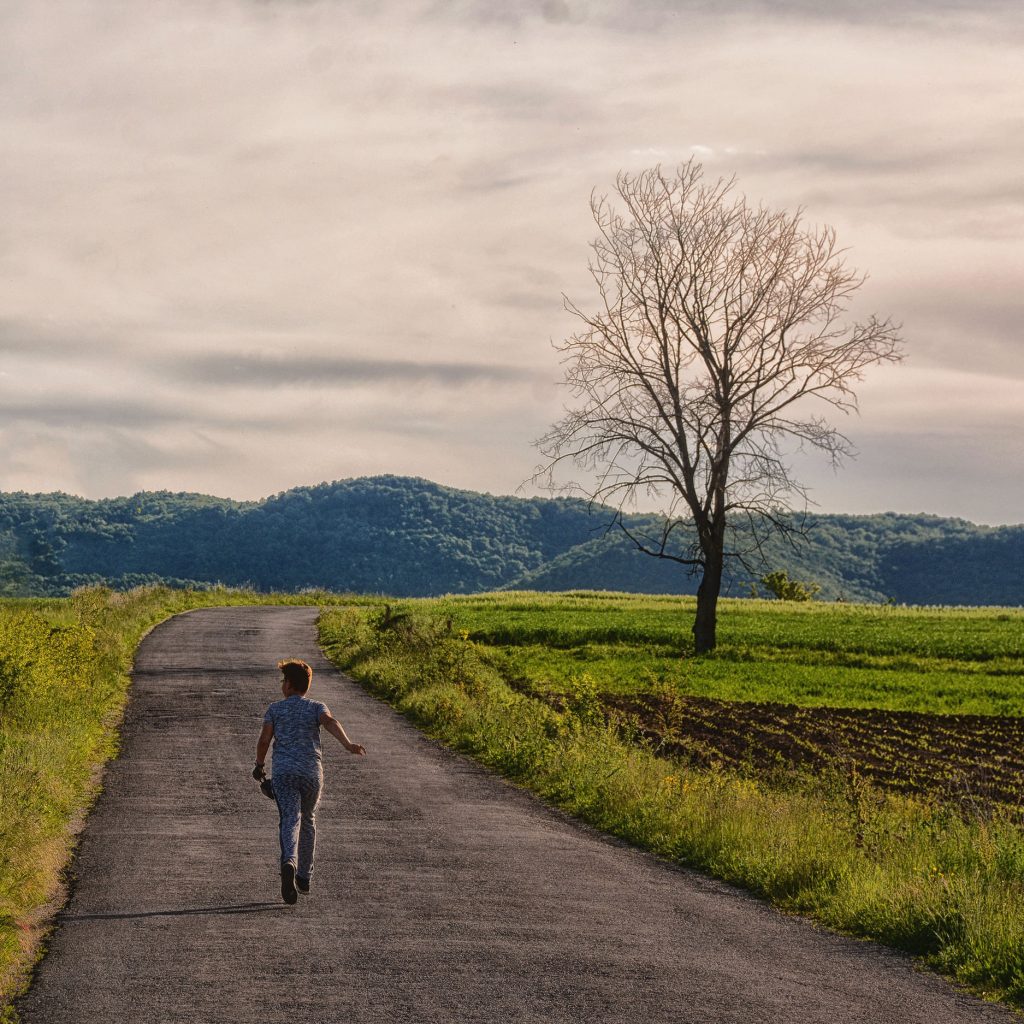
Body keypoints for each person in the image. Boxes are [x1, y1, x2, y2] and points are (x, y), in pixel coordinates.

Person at [253, 659, 366, 904]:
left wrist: (259, 765)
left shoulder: (275, 710)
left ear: (290, 685)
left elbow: (264, 741)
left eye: (284, 680)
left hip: (284, 773)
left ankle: (289, 862)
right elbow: (330, 723)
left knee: (290, 819)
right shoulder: (316, 707)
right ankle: (304, 877)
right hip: (311, 774)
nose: (282, 684)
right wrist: (348, 745)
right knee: (308, 819)